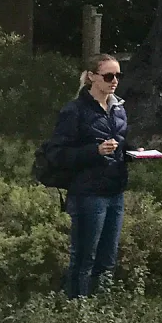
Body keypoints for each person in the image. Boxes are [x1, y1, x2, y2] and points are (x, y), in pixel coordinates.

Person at [48, 54, 128, 299]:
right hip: (88, 192)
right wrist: (94, 151)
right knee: (84, 256)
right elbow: (57, 153)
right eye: (108, 76)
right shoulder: (75, 111)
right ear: (92, 77)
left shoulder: (118, 109)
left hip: (115, 190)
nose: (114, 81)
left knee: (108, 257)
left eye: (118, 76)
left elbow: (121, 144)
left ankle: (100, 313)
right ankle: (77, 310)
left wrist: (134, 153)